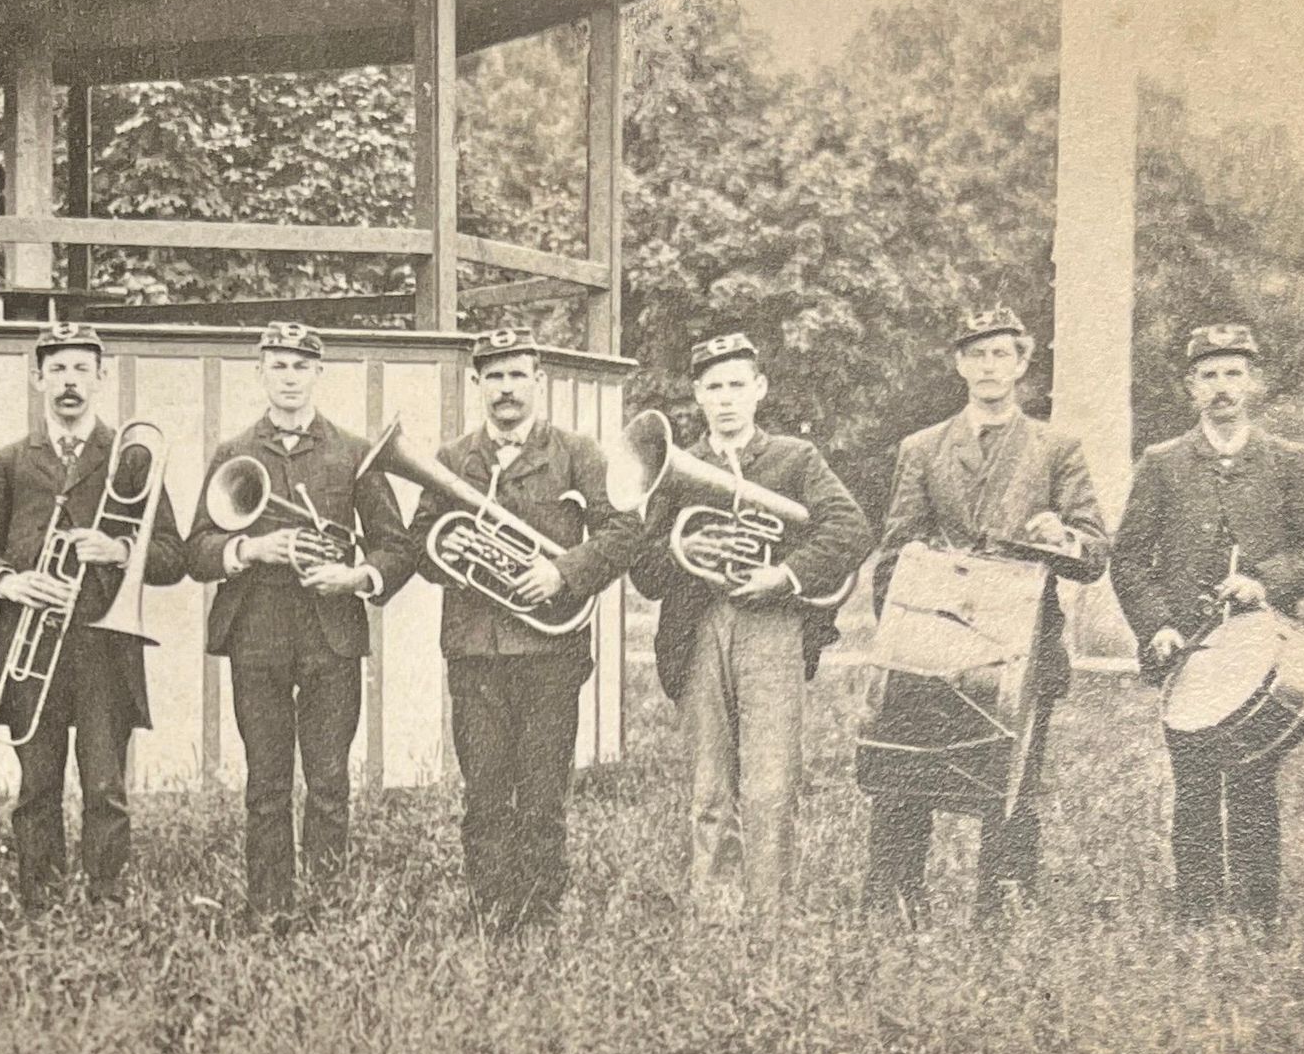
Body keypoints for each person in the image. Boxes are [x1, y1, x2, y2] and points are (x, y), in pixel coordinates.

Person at [861, 303, 1111, 921]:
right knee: (906, 773)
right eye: (976, 354)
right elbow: (894, 551)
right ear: (958, 364)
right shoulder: (922, 448)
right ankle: (894, 903)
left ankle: (1003, 911)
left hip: (1020, 650)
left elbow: (1095, 552)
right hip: (931, 641)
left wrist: (1062, 537)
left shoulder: (1057, 449)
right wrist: (905, 625)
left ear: (1023, 364)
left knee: (1013, 781)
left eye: (1002, 353)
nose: (989, 366)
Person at [631, 331, 873, 924]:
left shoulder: (796, 459)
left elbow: (851, 530)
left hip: (773, 625)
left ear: (760, 389)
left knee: (770, 781)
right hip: (696, 628)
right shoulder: (675, 467)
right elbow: (644, 570)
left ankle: (769, 909)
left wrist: (785, 574)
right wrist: (686, 542)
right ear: (696, 395)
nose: (727, 399)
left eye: (738, 385)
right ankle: (714, 907)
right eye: (714, 387)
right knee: (710, 782)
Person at [406, 327, 641, 932]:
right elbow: (418, 546)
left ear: (539, 381)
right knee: (484, 794)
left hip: (550, 652)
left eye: (517, 375)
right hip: (475, 653)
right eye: (494, 375)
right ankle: (489, 911)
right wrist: (447, 548)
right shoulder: (452, 460)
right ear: (477, 383)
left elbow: (622, 532)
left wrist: (562, 573)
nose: (506, 388)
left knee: (541, 795)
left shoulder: (578, 453)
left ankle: (538, 913)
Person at [185, 321, 417, 928]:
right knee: (265, 783)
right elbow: (196, 548)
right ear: (260, 371)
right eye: (277, 364)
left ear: (319, 372)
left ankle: (326, 905)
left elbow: (397, 546)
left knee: (329, 780)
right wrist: (251, 551)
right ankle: (267, 909)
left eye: (300, 365)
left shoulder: (353, 451)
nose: (289, 376)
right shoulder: (232, 452)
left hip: (330, 633)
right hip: (255, 629)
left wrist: (356, 576)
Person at [1111, 323, 1304, 923]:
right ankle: (1197, 906)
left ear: (1254, 382)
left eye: (1233, 373)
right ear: (1191, 387)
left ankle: (1257, 906)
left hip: (1259, 647)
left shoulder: (1287, 462)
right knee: (1192, 779)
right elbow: (1130, 557)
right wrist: (1156, 625)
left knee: (1253, 774)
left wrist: (1262, 581)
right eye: (1209, 375)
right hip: (1185, 647)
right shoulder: (1162, 463)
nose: (1222, 387)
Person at [0, 322, 187, 910]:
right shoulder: (9, 461)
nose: (69, 382)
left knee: (106, 786)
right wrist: (10, 581)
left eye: (82, 369)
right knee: (36, 786)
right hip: (31, 650)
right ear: (38, 379)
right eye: (57, 369)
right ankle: (41, 898)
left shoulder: (130, 457)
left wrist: (121, 551)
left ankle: (107, 898)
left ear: (101, 379)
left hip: (105, 647)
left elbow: (173, 555)